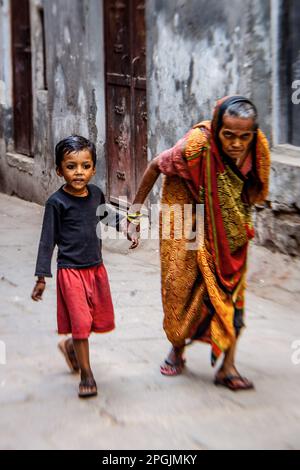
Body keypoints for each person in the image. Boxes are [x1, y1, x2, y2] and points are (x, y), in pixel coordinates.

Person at [123, 96, 270, 391]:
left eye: (245, 137)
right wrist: (134, 215)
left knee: (232, 301)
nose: (237, 144)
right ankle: (177, 348)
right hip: (190, 221)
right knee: (184, 289)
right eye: (229, 135)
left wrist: (236, 219)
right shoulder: (195, 147)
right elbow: (155, 165)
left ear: (253, 134)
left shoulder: (258, 149)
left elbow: (255, 189)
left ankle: (227, 368)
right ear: (217, 129)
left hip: (232, 236)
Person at [31, 135, 123, 398]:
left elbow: (106, 214)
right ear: (59, 170)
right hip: (70, 272)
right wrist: (41, 277)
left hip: (96, 269)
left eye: (85, 166)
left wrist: (127, 228)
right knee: (81, 321)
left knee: (93, 321)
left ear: (94, 168)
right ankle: (87, 374)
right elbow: (47, 242)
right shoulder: (56, 203)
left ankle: (71, 346)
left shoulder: (95, 194)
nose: (79, 172)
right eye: (71, 166)